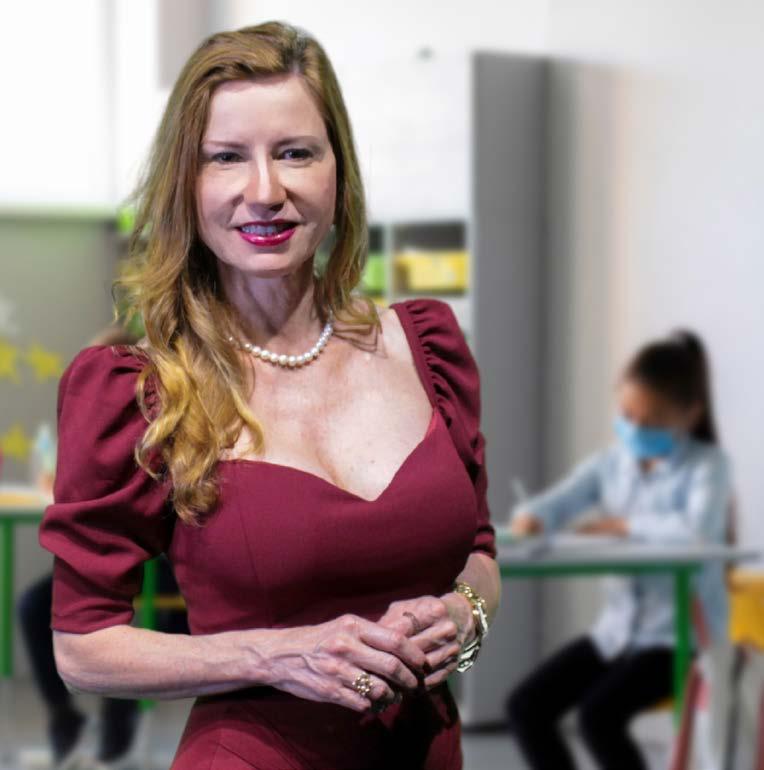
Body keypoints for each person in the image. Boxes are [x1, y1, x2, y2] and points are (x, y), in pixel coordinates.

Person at [37, 20, 501, 770]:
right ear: (186, 186)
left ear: (338, 172)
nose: (265, 191)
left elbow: (478, 548)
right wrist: (275, 654)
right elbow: (82, 647)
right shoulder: (143, 390)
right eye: (226, 157)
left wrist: (463, 612)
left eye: (295, 153)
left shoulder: (428, 348)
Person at [506, 329, 732, 770]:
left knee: (598, 718)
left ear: (689, 415)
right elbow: (557, 502)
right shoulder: (611, 464)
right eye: (628, 415)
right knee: (527, 706)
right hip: (616, 634)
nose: (636, 429)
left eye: (652, 421)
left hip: (677, 641)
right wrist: (532, 515)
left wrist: (623, 526)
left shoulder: (708, 466)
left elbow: (697, 531)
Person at [19, 321, 189, 770]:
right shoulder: (89, 427)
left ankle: (116, 735)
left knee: (122, 619)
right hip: (118, 566)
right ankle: (66, 721)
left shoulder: (163, 425)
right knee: (35, 606)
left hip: (164, 569)